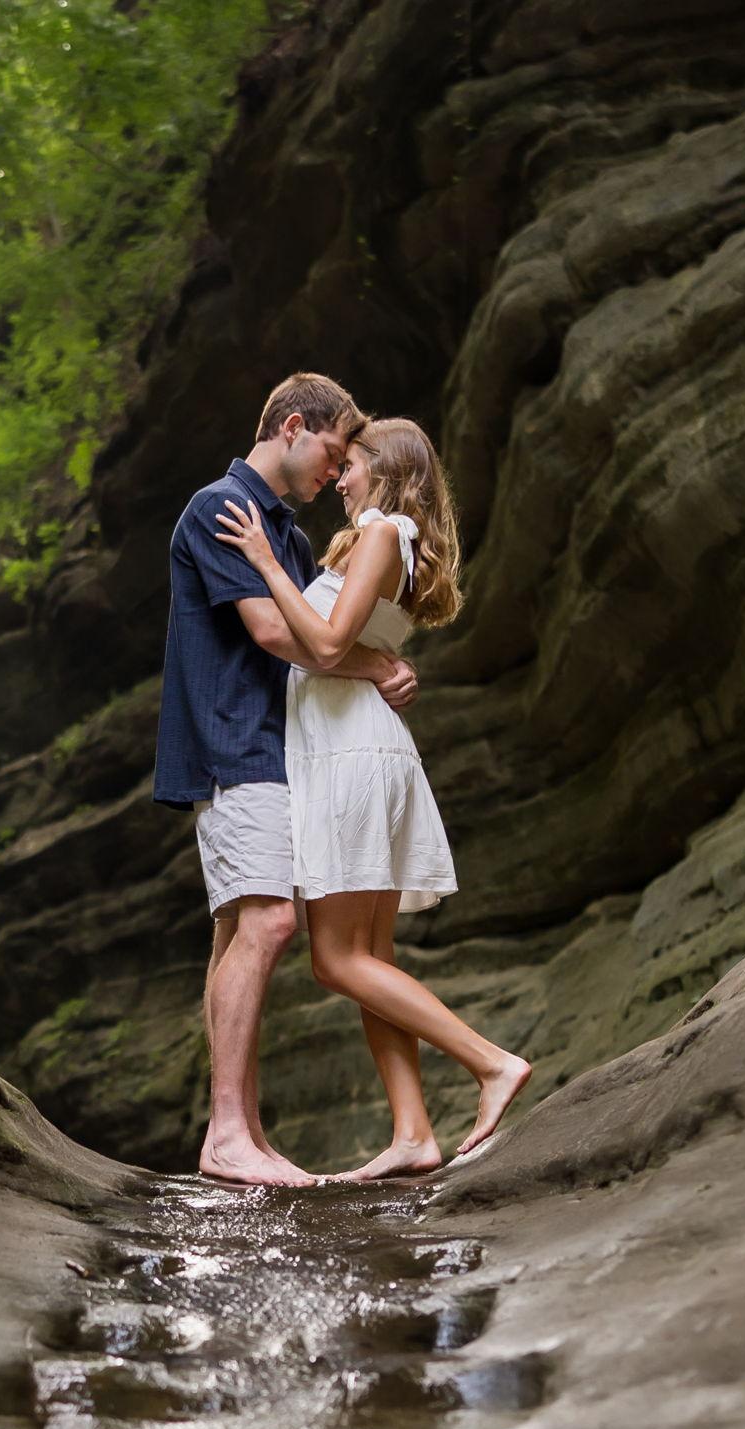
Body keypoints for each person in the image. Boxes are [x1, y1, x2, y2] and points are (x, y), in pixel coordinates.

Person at [215, 417, 532, 1177]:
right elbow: (351, 646)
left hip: (348, 754)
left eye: (351, 465)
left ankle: (491, 1064)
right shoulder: (383, 540)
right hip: (360, 746)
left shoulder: (383, 532)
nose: (341, 480)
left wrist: (265, 562)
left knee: (334, 960)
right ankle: (414, 1133)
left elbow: (325, 645)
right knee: (370, 958)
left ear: (385, 472)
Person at [152, 373, 421, 1187]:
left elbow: (319, 640)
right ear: (294, 427)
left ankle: (240, 1132)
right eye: (332, 452)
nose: (336, 472)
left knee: (239, 931)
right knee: (270, 923)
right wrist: (374, 664)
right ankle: (229, 1134)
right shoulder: (221, 508)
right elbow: (275, 632)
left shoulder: (290, 540)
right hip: (237, 745)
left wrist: (377, 663)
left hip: (284, 748)